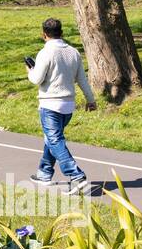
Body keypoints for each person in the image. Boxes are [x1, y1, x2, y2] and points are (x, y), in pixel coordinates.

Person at [26, 17, 96, 193]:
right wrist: (90, 99)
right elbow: (82, 79)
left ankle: (76, 176)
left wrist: (30, 71)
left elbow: (36, 79)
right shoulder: (73, 52)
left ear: (44, 34)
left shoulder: (45, 53)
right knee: (52, 139)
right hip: (68, 106)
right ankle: (44, 173)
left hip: (50, 105)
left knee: (55, 140)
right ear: (61, 33)